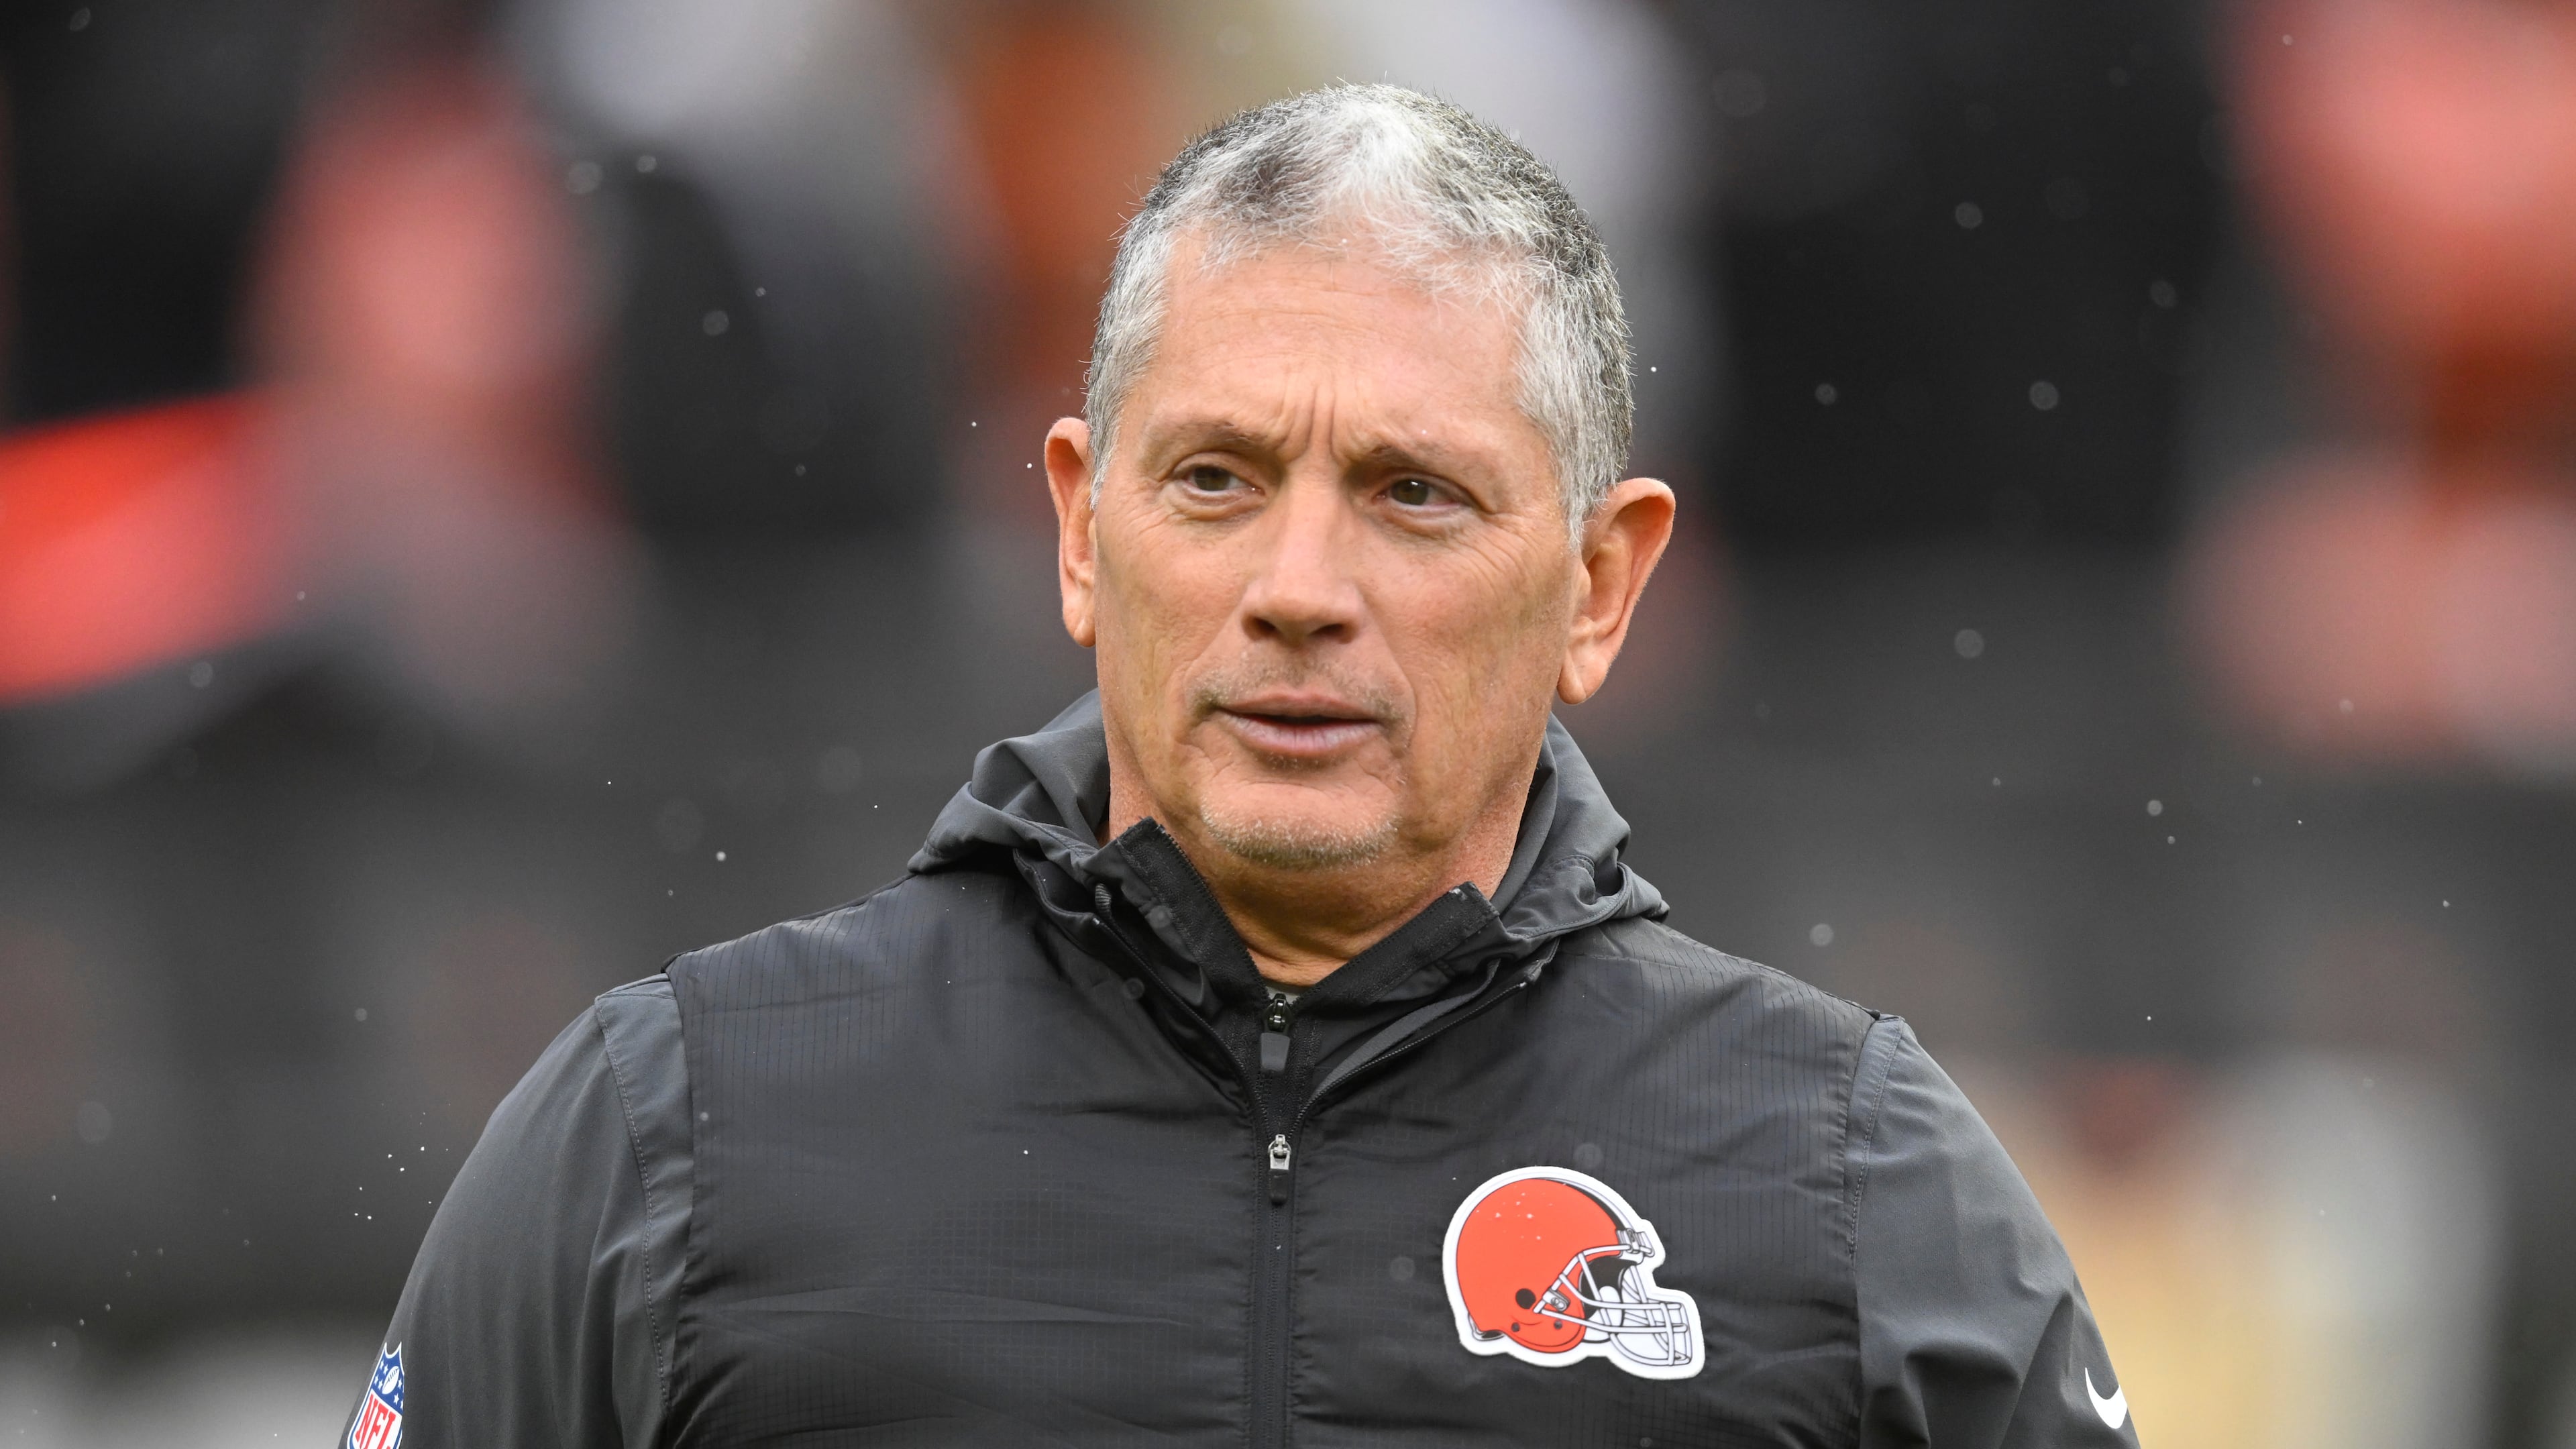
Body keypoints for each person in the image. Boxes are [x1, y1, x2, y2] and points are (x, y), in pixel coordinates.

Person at [345, 85, 2139, 1448]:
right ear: (1076, 528)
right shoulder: (676, 1131)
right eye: (1213, 479)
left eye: (1411, 494)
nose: (1298, 592)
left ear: (1602, 585)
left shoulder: (1846, 1185)